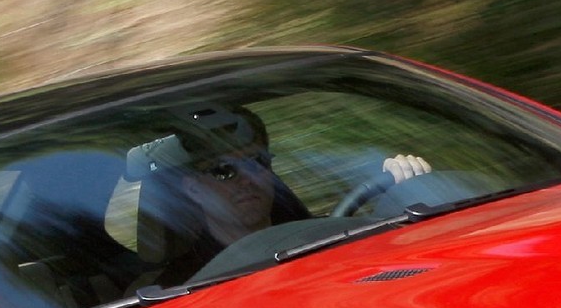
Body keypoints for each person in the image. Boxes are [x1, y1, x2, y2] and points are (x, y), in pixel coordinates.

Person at [102, 100, 432, 285]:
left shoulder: (327, 236)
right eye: (223, 170)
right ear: (193, 189)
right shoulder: (179, 289)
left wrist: (409, 191)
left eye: (256, 162)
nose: (246, 179)